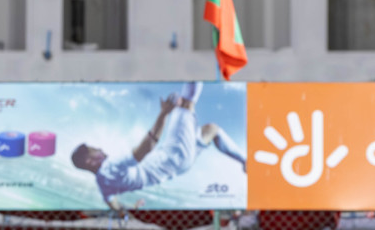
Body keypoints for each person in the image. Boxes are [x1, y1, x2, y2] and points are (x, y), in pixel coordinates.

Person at [71, 82, 246, 210]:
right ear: (89, 161)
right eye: (95, 150)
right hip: (173, 155)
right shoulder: (111, 167)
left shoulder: (102, 183)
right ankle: (198, 63)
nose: (100, 149)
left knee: (211, 130)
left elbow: (114, 204)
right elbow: (146, 148)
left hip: (179, 166)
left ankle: (246, 162)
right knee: (185, 103)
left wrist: (131, 208)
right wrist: (163, 114)